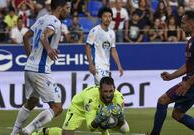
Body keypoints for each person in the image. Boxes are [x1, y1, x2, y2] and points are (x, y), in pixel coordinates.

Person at [10, 0, 70, 135]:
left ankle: (14, 133)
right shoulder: (55, 22)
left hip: (30, 67)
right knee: (57, 108)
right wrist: (48, 49)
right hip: (40, 70)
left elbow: (26, 37)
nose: (69, 11)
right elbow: (44, 36)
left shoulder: (41, 19)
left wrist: (30, 57)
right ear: (59, 8)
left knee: (31, 102)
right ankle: (28, 131)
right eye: (67, 8)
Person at [148, 10, 194, 135]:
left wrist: (188, 83)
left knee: (162, 101)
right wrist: (172, 76)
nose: (181, 26)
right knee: (177, 114)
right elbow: (189, 66)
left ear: (191, 24)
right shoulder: (191, 40)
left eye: (183, 23)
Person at [61, 76, 130, 135]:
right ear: (100, 90)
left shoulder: (119, 98)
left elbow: (120, 123)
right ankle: (52, 131)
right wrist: (99, 118)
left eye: (111, 91)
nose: (108, 95)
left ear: (114, 89)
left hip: (99, 109)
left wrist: (121, 117)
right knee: (66, 134)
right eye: (105, 91)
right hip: (79, 108)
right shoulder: (90, 99)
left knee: (125, 129)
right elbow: (90, 128)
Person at [85, 6, 123, 85]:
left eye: (109, 16)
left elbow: (113, 50)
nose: (108, 19)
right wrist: (91, 64)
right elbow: (87, 46)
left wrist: (119, 66)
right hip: (97, 66)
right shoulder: (95, 30)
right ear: (100, 18)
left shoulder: (112, 33)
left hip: (106, 67)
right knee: (107, 88)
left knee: (101, 93)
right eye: (105, 16)